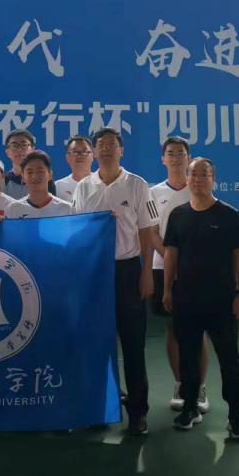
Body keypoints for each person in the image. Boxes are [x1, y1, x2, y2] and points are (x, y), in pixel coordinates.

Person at [72, 127, 160, 435]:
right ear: (94, 151)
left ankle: (138, 413)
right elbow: (77, 229)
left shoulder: (137, 184)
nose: (107, 149)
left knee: (133, 345)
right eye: (101, 144)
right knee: (97, 344)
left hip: (128, 270)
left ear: (121, 150)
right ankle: (100, 410)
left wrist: (146, 271)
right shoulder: (84, 187)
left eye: (113, 144)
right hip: (94, 273)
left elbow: (147, 230)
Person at [163, 158, 239, 442]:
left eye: (204, 174)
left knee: (229, 359)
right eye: (194, 174)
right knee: (188, 357)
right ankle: (189, 407)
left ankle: (236, 417)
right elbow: (171, 254)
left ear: (213, 179)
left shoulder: (229, 215)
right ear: (186, 179)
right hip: (186, 299)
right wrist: (167, 290)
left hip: (222, 301)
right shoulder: (178, 215)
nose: (198, 179)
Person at [150, 136, 210, 414]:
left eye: (180, 153)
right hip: (162, 267)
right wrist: (170, 257)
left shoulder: (198, 189)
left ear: (189, 158)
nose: (175, 157)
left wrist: (187, 261)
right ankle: (180, 384)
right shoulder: (152, 192)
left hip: (196, 269)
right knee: (173, 327)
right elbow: (152, 231)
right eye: (170, 153)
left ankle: (200, 388)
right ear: (163, 159)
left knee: (198, 329)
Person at [5, 150, 73, 218]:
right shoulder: (14, 209)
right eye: (30, 172)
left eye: (40, 171)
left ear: (50, 174)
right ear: (23, 177)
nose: (34, 176)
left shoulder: (66, 209)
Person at [2, 129, 57, 200]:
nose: (19, 149)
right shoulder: (3, 182)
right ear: (7, 153)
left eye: (24, 145)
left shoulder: (44, 180)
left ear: (32, 149)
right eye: (14, 146)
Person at [55, 135, 94, 202]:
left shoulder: (102, 183)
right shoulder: (58, 187)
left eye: (84, 151)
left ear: (92, 156)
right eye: (75, 152)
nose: (79, 155)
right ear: (67, 157)